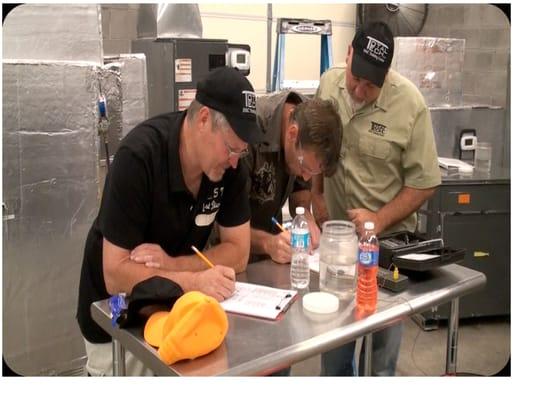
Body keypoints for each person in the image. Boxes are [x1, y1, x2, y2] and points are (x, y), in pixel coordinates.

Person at [76, 67, 264, 376]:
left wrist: (171, 267)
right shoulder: (138, 158)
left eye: (241, 153)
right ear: (204, 119)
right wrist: (193, 282)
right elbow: (115, 273)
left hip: (174, 310)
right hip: (113, 309)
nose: (234, 161)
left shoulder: (228, 169)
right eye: (231, 148)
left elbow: (238, 253)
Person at [312, 21, 442, 376]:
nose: (360, 88)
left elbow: (425, 182)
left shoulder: (410, 105)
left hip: (386, 252)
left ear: (387, 75)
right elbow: (318, 144)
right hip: (339, 248)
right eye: (356, 77)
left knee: (381, 364)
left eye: (372, 84)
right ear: (349, 54)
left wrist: (378, 219)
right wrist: (316, 195)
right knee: (334, 356)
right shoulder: (328, 83)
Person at [246, 91, 343, 265]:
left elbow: (300, 193)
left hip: (270, 258)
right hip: (225, 260)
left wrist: (305, 216)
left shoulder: (309, 128)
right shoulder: (250, 128)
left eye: (313, 173)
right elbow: (226, 227)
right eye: (305, 168)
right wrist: (267, 243)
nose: (306, 176)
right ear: (292, 134)